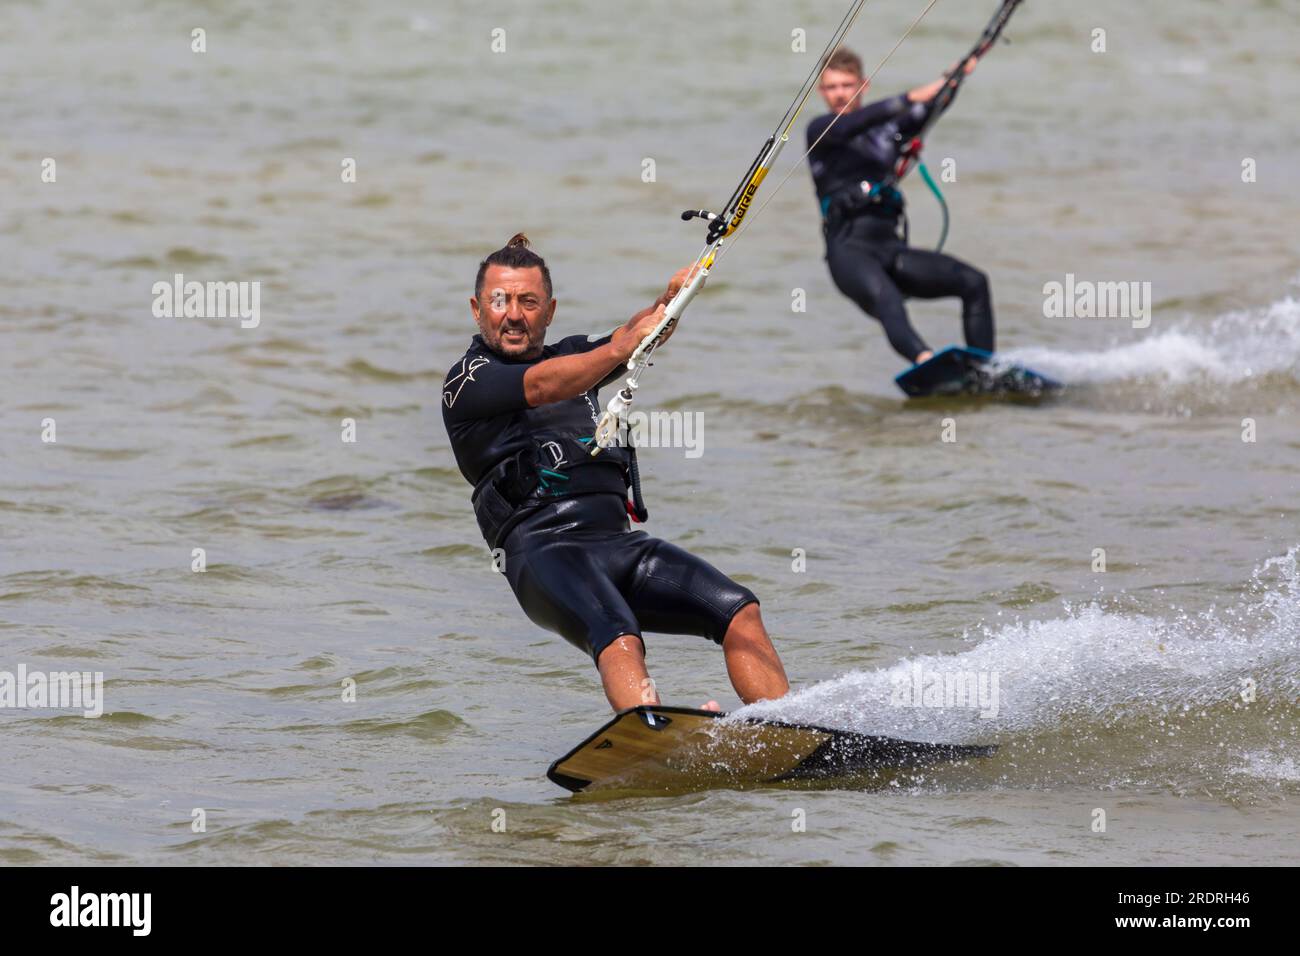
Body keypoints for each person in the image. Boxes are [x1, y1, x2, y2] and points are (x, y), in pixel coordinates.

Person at [442, 233, 790, 714]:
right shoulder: (468, 381)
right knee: (619, 635)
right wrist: (621, 347)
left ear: (550, 310)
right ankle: (648, 736)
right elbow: (545, 384)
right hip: (543, 551)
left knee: (739, 610)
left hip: (617, 543)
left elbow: (635, 335)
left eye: (529, 301)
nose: (514, 314)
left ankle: (790, 729)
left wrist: (669, 302)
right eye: (500, 301)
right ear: (477, 308)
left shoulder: (571, 353)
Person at [808, 46, 992, 366]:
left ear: (863, 86)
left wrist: (954, 77)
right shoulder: (822, 131)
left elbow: (931, 107)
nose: (839, 94)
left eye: (846, 85)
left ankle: (986, 369)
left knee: (974, 282)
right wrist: (908, 97)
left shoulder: (889, 133)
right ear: (821, 92)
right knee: (888, 300)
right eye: (831, 87)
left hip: (890, 249)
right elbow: (863, 120)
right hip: (849, 251)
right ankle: (926, 361)